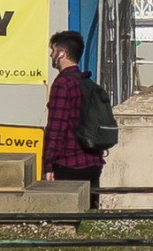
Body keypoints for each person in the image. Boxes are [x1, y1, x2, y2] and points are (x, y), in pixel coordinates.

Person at [41, 28, 117, 204]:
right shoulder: (86, 82)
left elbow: (56, 128)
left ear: (62, 53)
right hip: (93, 160)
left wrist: (48, 164)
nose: (51, 55)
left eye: (53, 50)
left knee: (66, 217)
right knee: (90, 215)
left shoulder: (63, 84)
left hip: (68, 164)